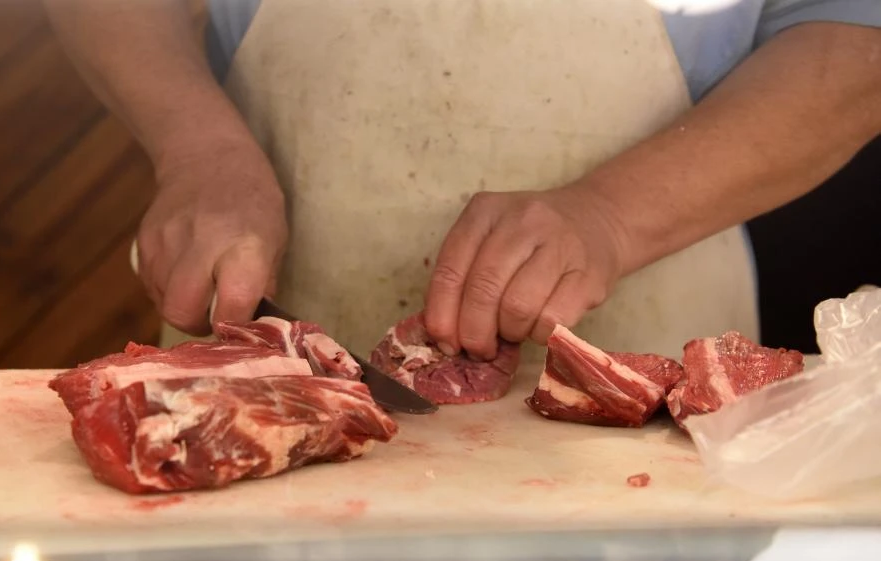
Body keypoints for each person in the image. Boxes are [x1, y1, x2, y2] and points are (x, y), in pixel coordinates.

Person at [44, 0, 881, 360]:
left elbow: (856, 39)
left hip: (646, 341)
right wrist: (197, 148)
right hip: (272, 343)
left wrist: (614, 218)